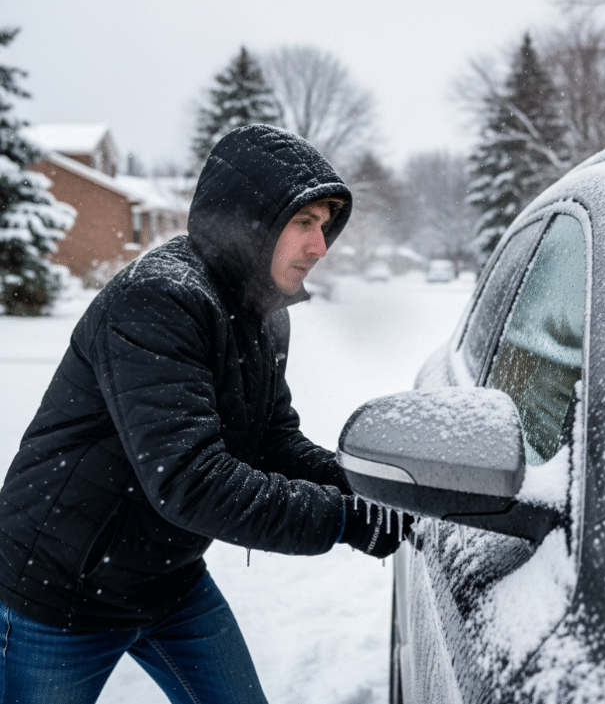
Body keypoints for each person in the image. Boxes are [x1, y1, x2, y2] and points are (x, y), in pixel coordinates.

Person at [0, 124, 406, 704]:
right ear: (251, 220)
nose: (320, 247)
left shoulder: (263, 313)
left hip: (168, 580)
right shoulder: (157, 299)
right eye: (303, 222)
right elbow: (190, 480)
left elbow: (272, 439)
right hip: (61, 590)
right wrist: (345, 520)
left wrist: (369, 489)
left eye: (324, 226)